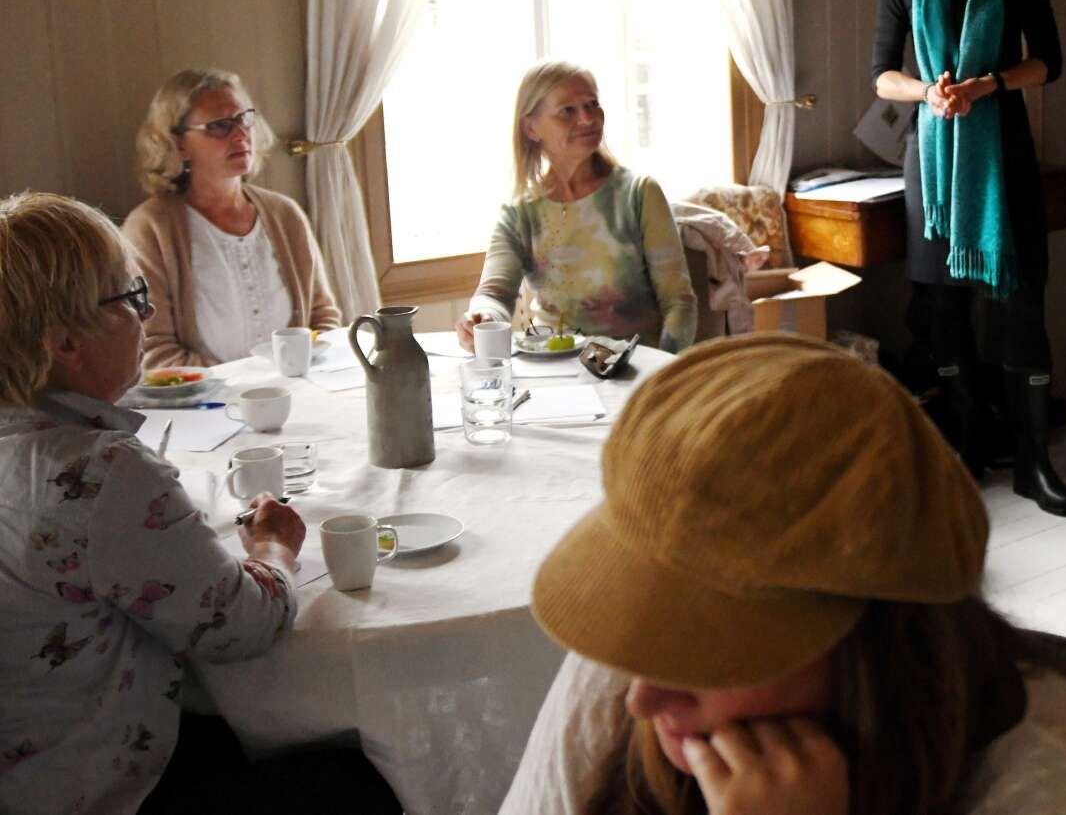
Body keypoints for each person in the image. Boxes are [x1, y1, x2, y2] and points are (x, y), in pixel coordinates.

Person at [501, 333, 1066, 814]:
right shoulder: (633, 668)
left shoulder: (1043, 769)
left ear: (870, 643)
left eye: (706, 644)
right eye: (648, 613)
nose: (642, 695)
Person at [0, 192, 393, 814]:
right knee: (366, 770)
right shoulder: (100, 473)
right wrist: (274, 548)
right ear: (65, 342)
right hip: (95, 785)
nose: (149, 313)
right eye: (131, 298)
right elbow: (243, 625)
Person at [869, 0, 1066, 517]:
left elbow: (1048, 61)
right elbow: (882, 75)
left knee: (1021, 311)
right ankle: (965, 451)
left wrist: (987, 84)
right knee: (943, 317)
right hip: (932, 170)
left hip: (1003, 160)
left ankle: (1032, 463)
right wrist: (927, 93)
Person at [457, 61, 696, 354]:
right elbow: (494, 294)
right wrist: (481, 318)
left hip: (634, 369)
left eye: (592, 104)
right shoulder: (520, 214)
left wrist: (665, 368)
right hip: (552, 367)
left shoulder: (639, 194)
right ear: (531, 128)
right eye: (567, 111)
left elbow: (679, 303)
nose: (587, 118)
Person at [123, 69, 341, 369]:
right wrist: (240, 385)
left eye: (244, 119)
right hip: (203, 397)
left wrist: (296, 374)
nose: (241, 134)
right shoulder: (149, 228)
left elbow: (323, 317)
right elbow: (152, 347)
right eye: (220, 126)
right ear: (178, 142)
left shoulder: (285, 214)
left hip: (297, 387)